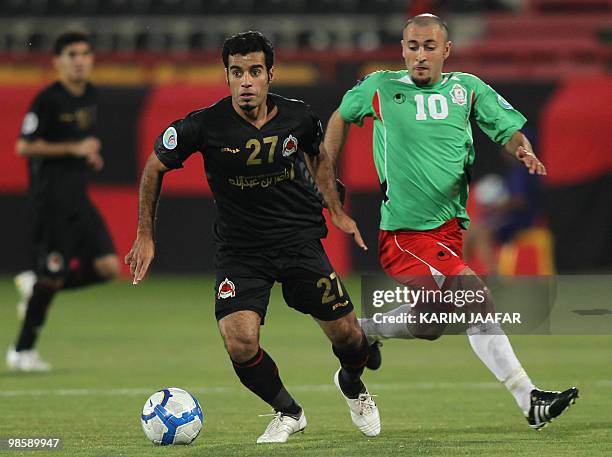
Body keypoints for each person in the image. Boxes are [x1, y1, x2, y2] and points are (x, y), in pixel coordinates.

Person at [324, 14, 578, 430]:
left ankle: (363, 332)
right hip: (405, 233)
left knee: (431, 323)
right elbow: (339, 117)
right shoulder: (381, 87)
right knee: (477, 299)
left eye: (428, 47)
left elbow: (508, 129)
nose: (419, 56)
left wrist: (523, 151)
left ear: (446, 51)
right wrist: (330, 180)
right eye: (412, 46)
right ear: (403, 48)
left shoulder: (468, 88)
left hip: (448, 232)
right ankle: (529, 399)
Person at [125, 31, 380, 444]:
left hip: (298, 242)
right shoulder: (204, 125)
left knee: (350, 338)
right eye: (237, 72)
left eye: (255, 72)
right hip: (241, 252)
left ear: (270, 75)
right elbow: (154, 167)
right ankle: (288, 411)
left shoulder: (299, 117)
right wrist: (145, 235)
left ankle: (352, 384)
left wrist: (335, 208)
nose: (246, 81)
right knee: (240, 342)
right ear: (226, 76)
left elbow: (318, 155)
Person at [6, 31, 120, 372]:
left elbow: (79, 140)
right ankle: (21, 351)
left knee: (108, 267)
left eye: (85, 53)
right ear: (58, 61)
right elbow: (24, 146)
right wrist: (72, 149)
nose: (80, 60)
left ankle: (35, 285)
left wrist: (88, 154)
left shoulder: (90, 95)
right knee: (53, 277)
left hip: (78, 200)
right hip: (51, 202)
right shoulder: (47, 100)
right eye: (72, 54)